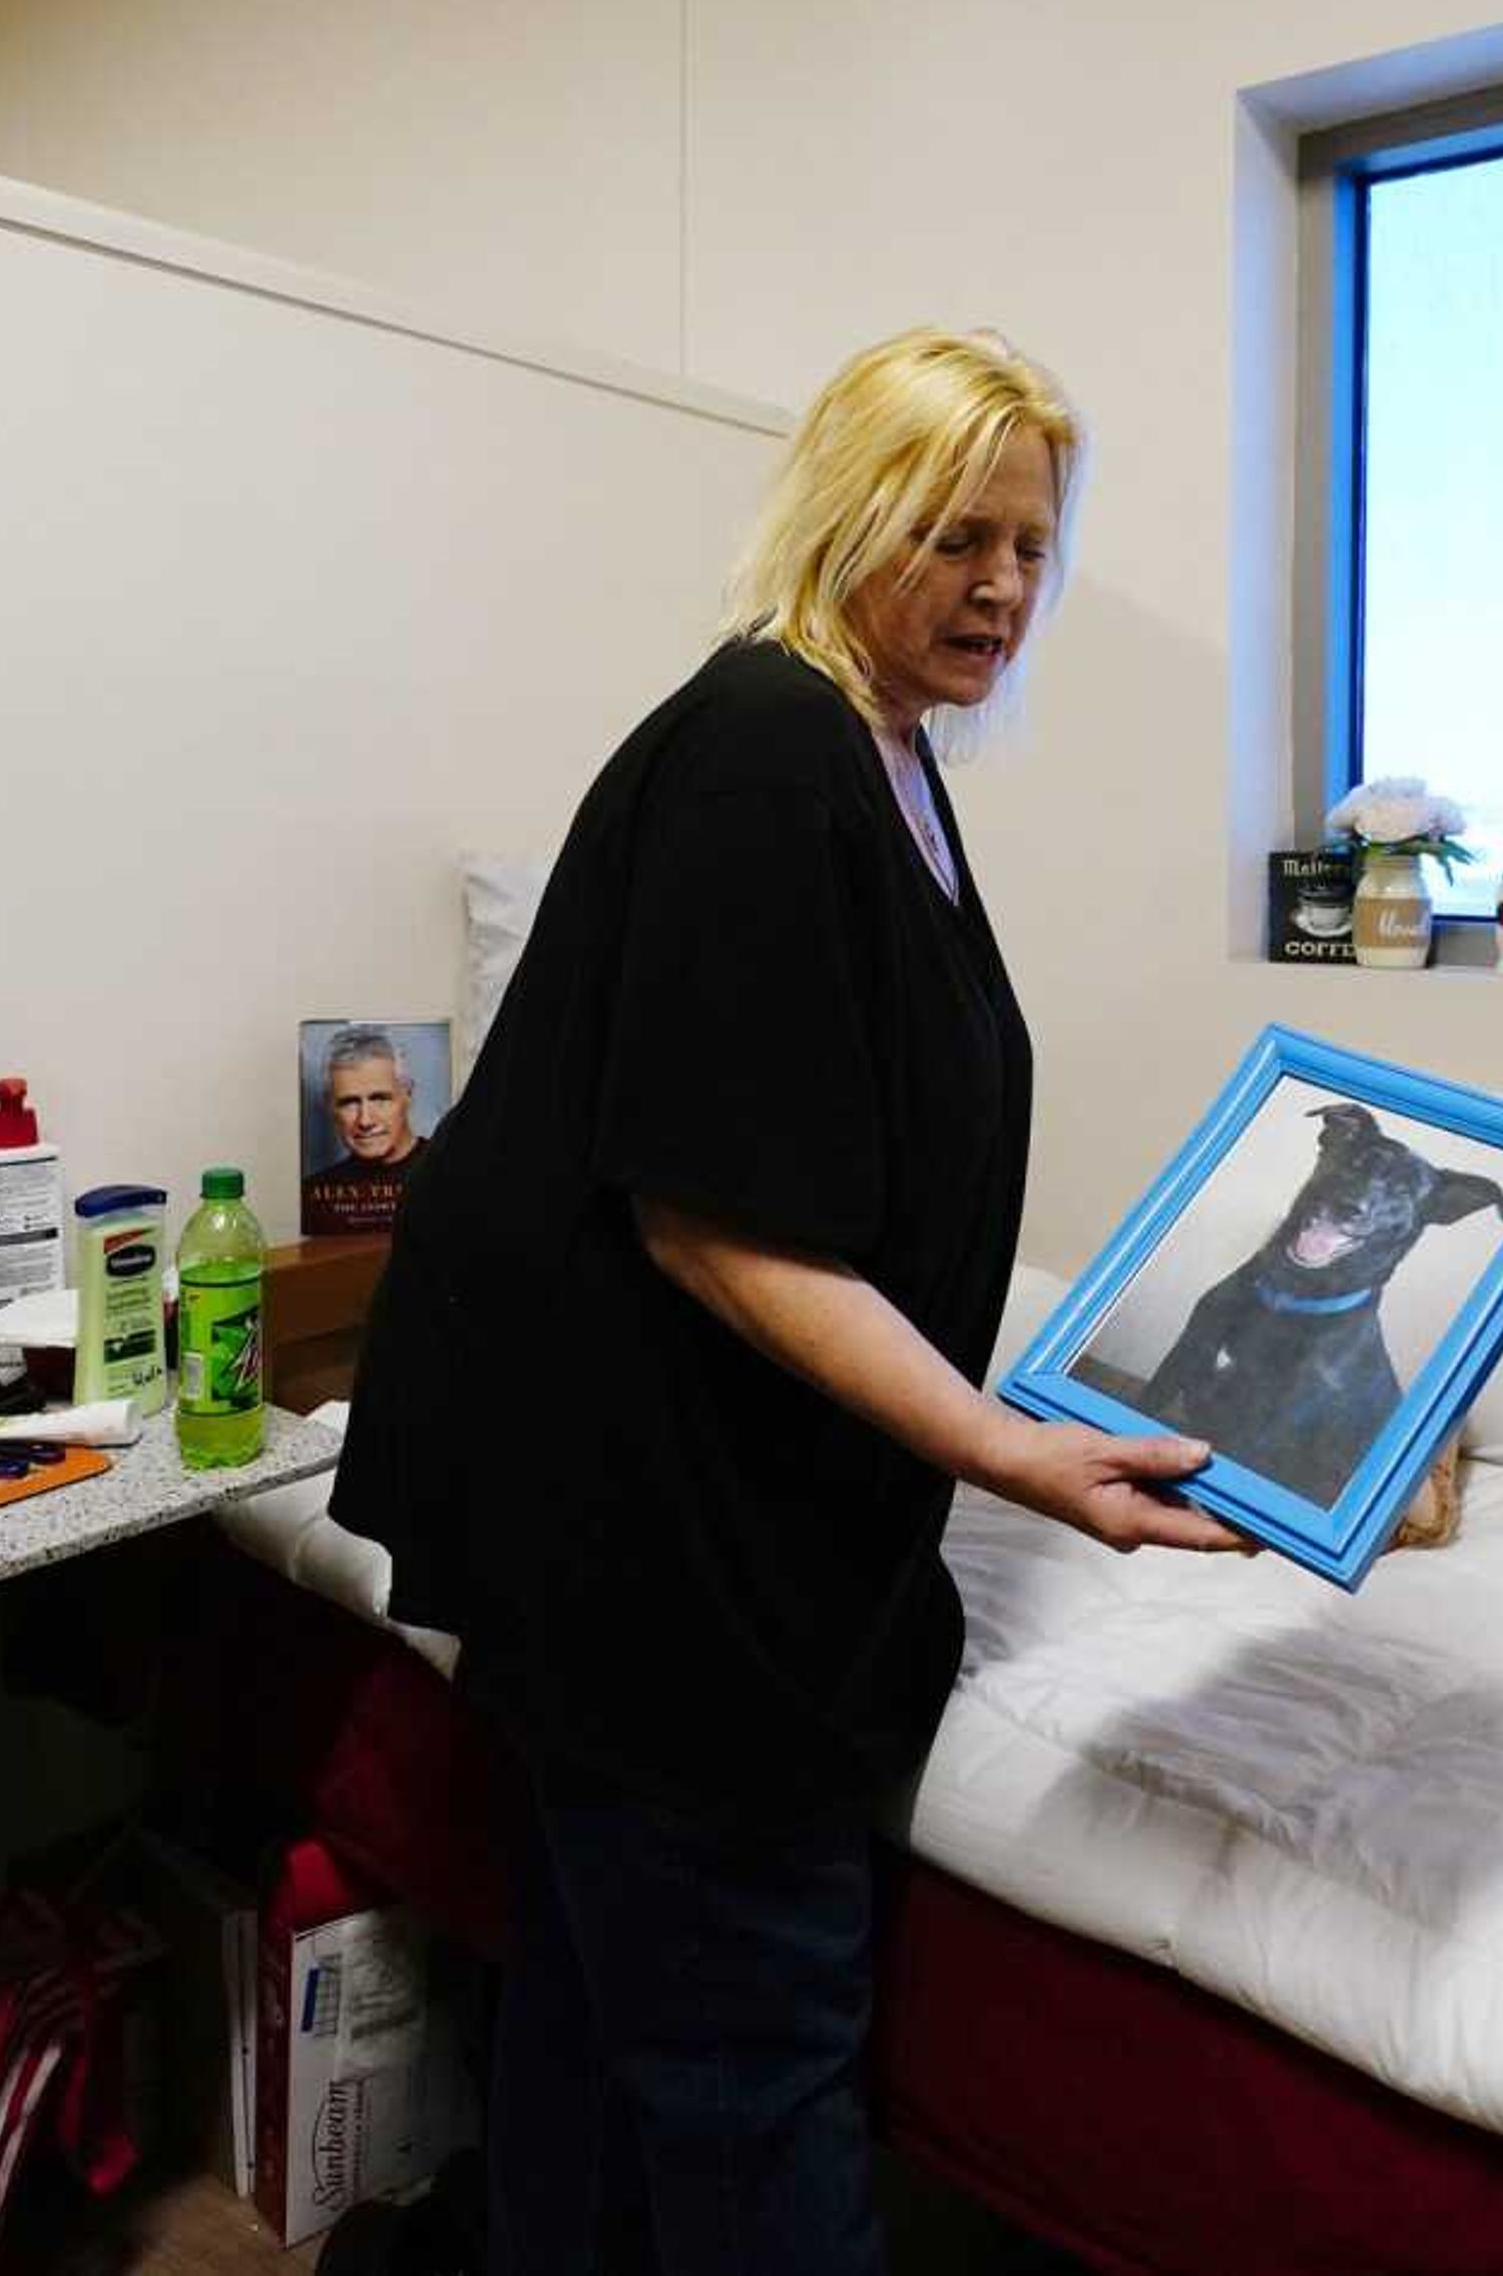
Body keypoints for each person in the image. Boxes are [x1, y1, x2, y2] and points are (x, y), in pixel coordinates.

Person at [328, 325, 1247, 2275]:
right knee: (755, 2058)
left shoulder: (888, 751)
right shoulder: (764, 744)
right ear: (847, 516)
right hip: (651, 1532)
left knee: (592, 1994)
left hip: (711, 1494)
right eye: (955, 533)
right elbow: (718, 1222)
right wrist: (1015, 1448)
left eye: (1031, 543)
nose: (1002, 583)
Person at [301, 1025, 423, 1238]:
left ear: (408, 1095)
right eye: (349, 1103)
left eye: (380, 1099)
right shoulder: (311, 1195)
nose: (365, 1120)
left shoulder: (450, 1172)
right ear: (331, 1107)